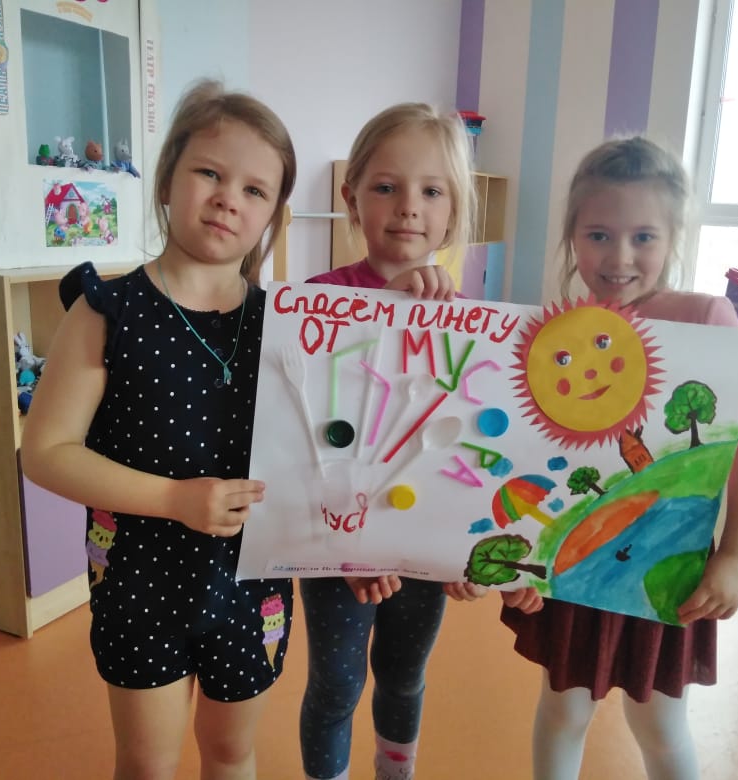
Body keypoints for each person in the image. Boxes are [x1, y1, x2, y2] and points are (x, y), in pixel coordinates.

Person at [21, 79, 297, 780]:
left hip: (251, 583)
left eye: (255, 189)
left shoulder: (287, 326)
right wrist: (175, 500)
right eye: (210, 173)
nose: (229, 198)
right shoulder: (107, 310)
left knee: (232, 752)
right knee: (147, 763)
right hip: (139, 581)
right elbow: (45, 451)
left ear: (272, 212)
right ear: (169, 177)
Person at [500, 136, 738, 780]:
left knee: (659, 725)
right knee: (563, 711)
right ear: (572, 237)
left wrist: (736, 557)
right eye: (598, 235)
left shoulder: (707, 319)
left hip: (671, 570)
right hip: (573, 568)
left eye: (643, 237)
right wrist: (516, 563)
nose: (619, 256)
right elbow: (523, 454)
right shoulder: (555, 330)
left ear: (673, 238)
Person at [299, 102, 484, 780]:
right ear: (352, 199)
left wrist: (466, 551)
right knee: (336, 687)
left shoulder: (468, 322)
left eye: (432, 191)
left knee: (404, 677)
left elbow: (470, 448)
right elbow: (301, 437)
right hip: (335, 550)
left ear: (454, 211)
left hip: (420, 546)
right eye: (386, 186)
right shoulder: (315, 302)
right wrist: (348, 548)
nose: (409, 206)